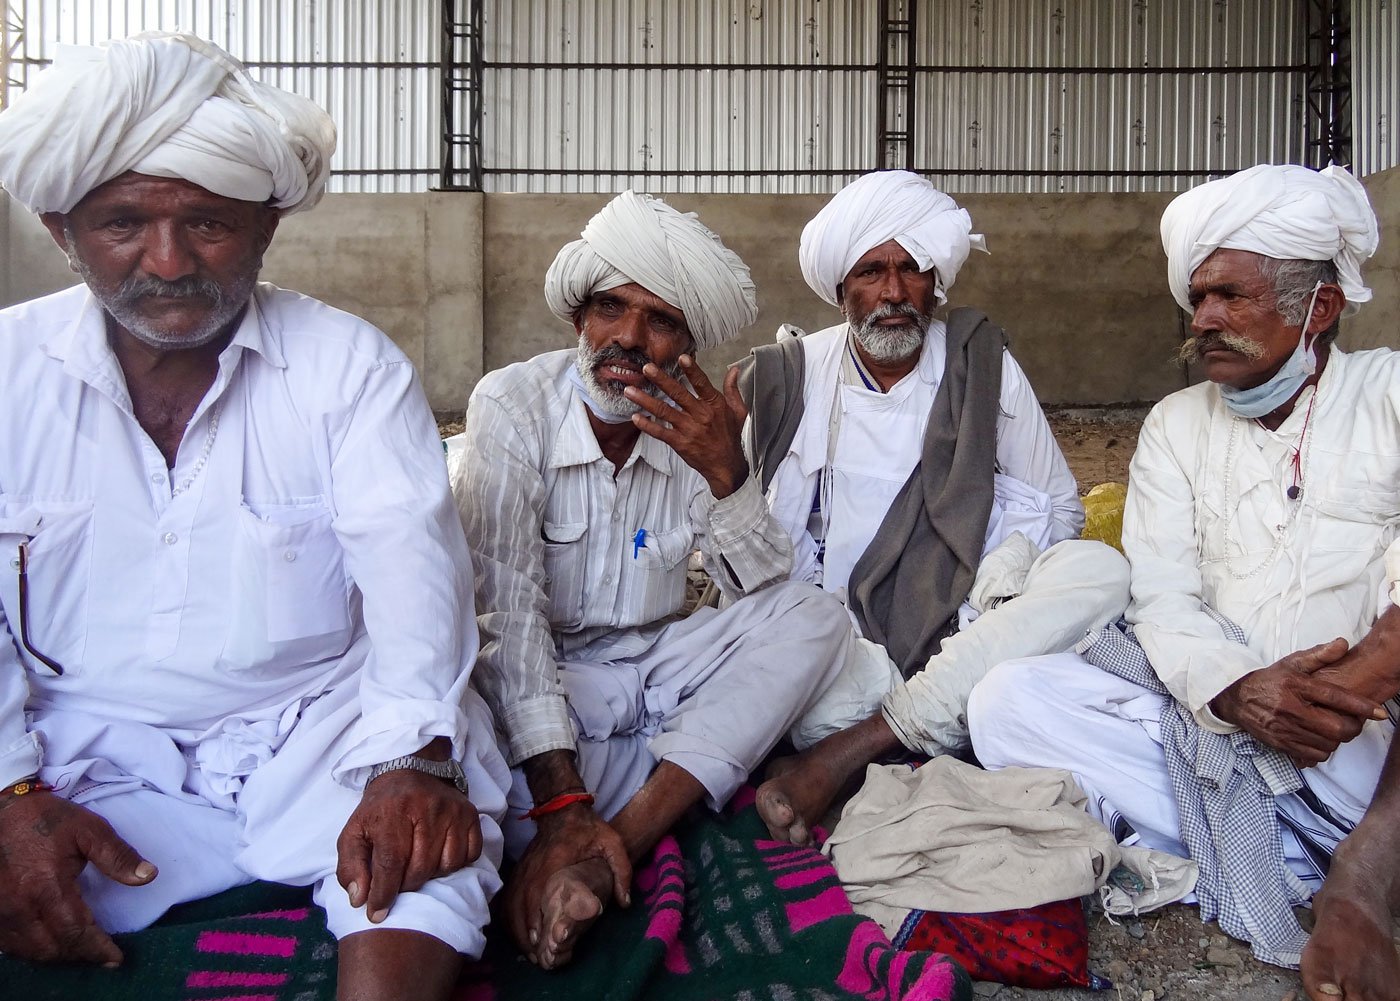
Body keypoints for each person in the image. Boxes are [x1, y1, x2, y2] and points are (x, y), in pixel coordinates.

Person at [0, 33, 509, 1000]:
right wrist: (10, 791)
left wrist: (406, 760)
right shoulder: (4, 372)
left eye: (208, 225)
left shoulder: (347, 368)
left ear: (267, 223)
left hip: (313, 732)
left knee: (431, 829)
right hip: (82, 752)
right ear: (60, 227)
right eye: (121, 225)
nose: (167, 261)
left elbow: (416, 587)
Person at [968, 164, 1397, 985]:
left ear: (1321, 307)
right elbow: (1163, 596)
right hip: (1217, 717)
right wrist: (1239, 690)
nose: (1204, 319)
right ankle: (1284, 848)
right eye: (1198, 298)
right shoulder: (1173, 425)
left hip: (1361, 733)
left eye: (1231, 296)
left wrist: (1348, 684)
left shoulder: (1388, 396)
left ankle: (1340, 855)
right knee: (1004, 702)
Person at [454, 190, 850, 971]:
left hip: (659, 677)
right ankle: (601, 817)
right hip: (549, 703)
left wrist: (729, 472)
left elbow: (763, 592)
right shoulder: (512, 405)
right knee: (455, 753)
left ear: (687, 345)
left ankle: (614, 847)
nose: (629, 338)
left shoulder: (699, 423)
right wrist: (566, 799)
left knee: (816, 619)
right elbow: (508, 621)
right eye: (611, 308)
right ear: (578, 319)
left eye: (660, 320)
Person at [743, 170, 1130, 844]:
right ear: (841, 289)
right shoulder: (789, 376)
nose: (893, 292)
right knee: (779, 667)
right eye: (871, 271)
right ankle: (910, 727)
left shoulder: (981, 364)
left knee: (1099, 570)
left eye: (912, 269)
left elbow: (1062, 509)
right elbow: (749, 563)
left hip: (966, 631)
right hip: (841, 647)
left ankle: (858, 747)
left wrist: (1000, 574)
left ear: (935, 282)